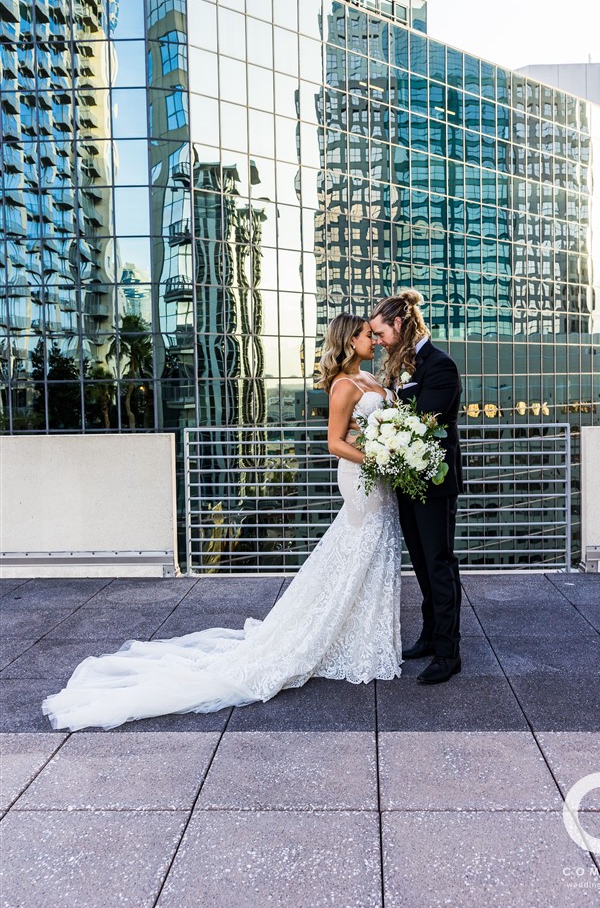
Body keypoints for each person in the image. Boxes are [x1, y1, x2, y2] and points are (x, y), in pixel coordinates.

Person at [42, 314, 402, 732]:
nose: (373, 340)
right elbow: (334, 442)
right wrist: (378, 458)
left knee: (374, 550)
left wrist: (390, 447)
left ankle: (363, 637)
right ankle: (336, 634)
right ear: (348, 339)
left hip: (379, 476)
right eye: (365, 335)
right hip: (362, 476)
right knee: (360, 548)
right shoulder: (343, 385)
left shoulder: (372, 377)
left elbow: (373, 426)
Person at [370, 289, 464, 685]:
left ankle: (448, 652)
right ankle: (429, 636)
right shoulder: (399, 365)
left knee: (439, 564)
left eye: (380, 333)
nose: (377, 341)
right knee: (422, 566)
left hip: (435, 482)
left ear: (400, 324)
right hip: (407, 480)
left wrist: (388, 419)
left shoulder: (440, 366)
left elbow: (424, 422)